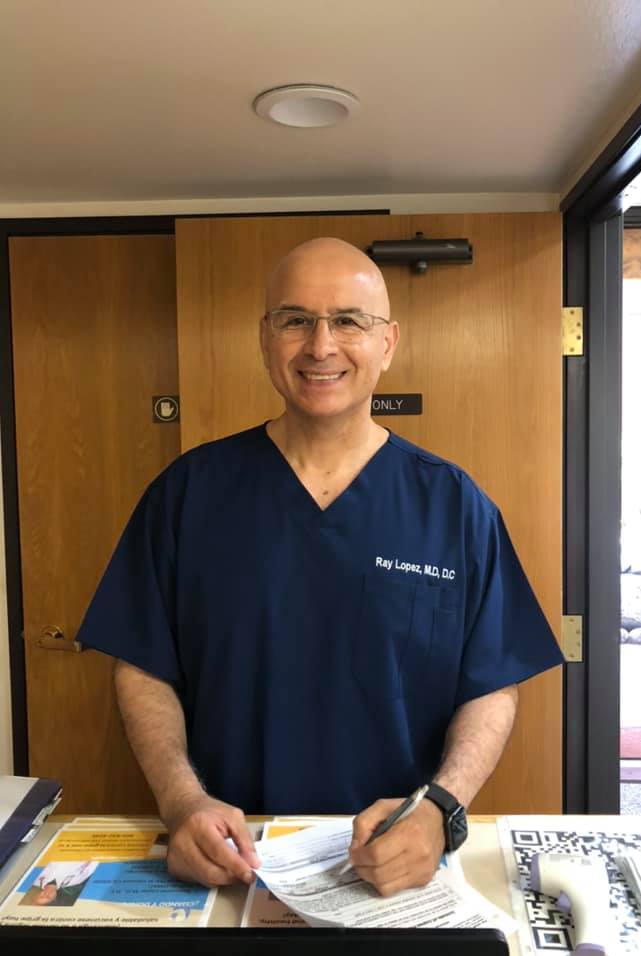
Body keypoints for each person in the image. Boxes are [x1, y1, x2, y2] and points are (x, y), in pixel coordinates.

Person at [77, 237, 563, 897]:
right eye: (296, 319)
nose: (321, 345)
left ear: (387, 343)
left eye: (348, 321)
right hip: (232, 860)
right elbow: (142, 666)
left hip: (397, 864)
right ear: (265, 339)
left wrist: (441, 807)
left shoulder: (454, 506)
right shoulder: (187, 495)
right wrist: (181, 800)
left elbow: (493, 682)